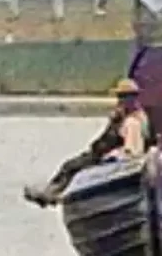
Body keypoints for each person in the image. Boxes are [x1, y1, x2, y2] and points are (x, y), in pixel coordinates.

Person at [23, 77, 155, 207]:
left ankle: (53, 193)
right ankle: (52, 191)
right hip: (103, 152)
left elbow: (131, 150)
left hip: (110, 157)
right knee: (70, 165)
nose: (120, 100)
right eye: (120, 97)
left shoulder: (132, 122)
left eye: (123, 97)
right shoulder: (129, 117)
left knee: (71, 166)